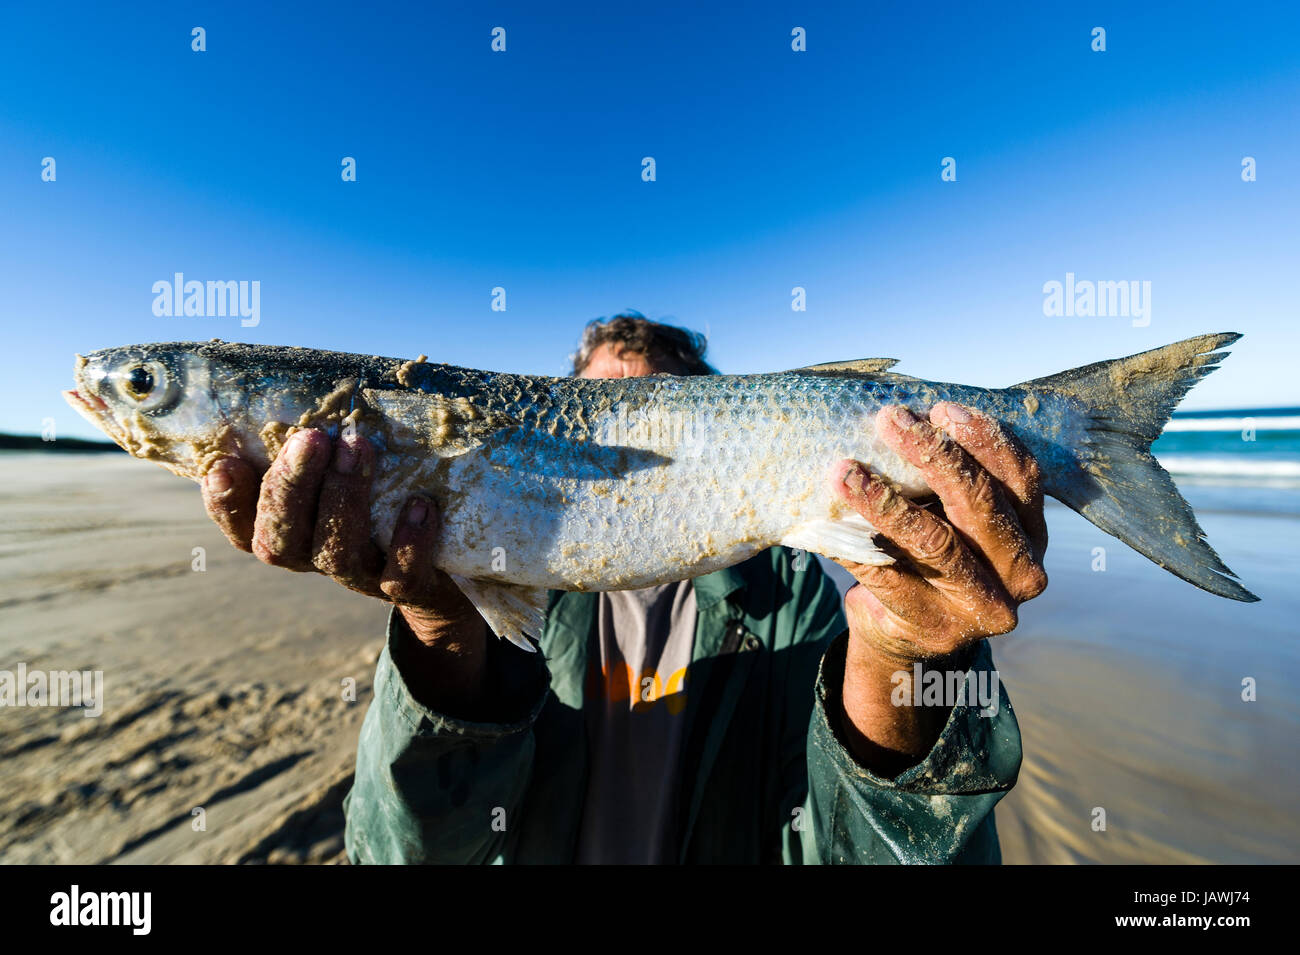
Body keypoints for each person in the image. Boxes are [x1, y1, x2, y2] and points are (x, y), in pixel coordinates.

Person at [200, 313, 1047, 864]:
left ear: (732, 413)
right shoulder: (489, 585)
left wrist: (898, 658)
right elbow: (399, 857)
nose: (620, 434)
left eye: (660, 404)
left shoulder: (796, 595)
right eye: (598, 409)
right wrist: (436, 631)